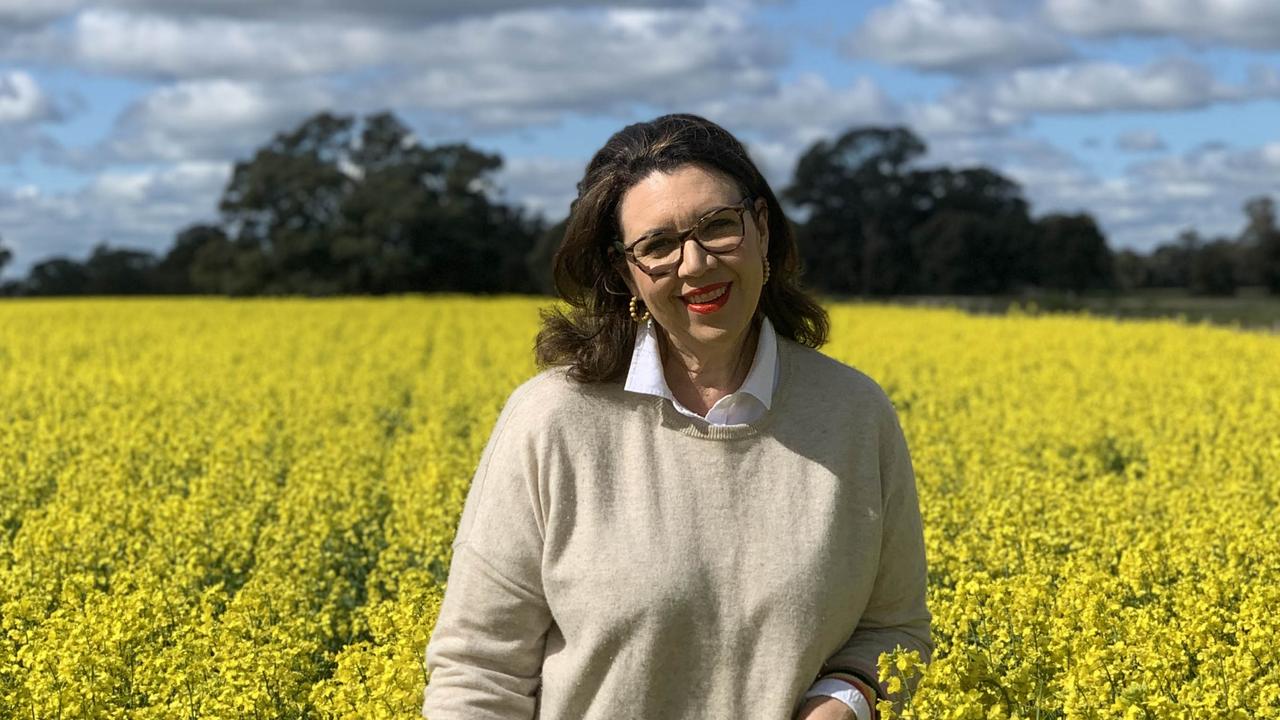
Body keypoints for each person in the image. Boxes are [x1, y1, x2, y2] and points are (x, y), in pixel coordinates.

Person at [421, 113, 932, 720]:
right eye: (657, 245)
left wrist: (847, 697)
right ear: (623, 271)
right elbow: (478, 672)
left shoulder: (855, 413)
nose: (695, 264)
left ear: (762, 230)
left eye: (719, 227)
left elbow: (894, 630)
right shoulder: (552, 421)